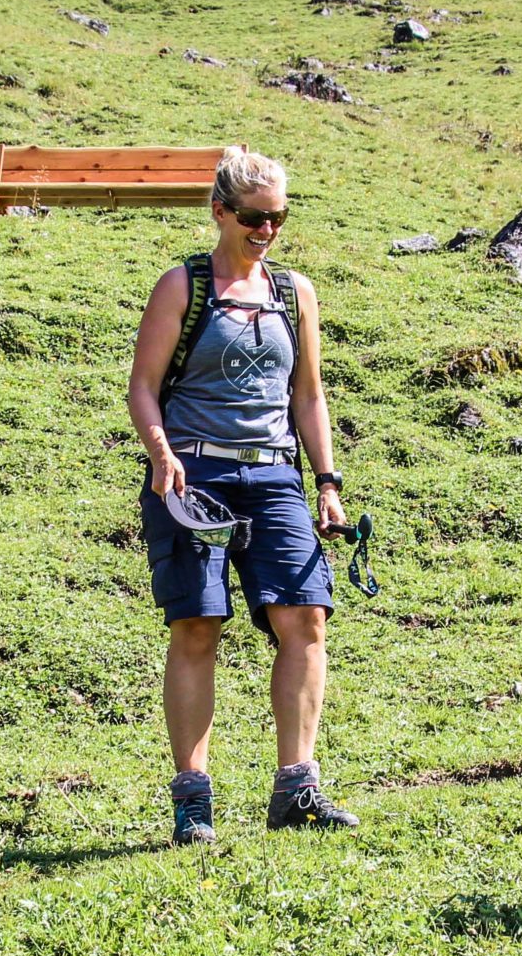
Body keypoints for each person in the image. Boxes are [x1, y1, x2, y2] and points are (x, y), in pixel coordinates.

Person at [126, 145, 359, 845]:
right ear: (220, 211)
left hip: (275, 475)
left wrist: (327, 481)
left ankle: (297, 788)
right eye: (255, 217)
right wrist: (161, 453)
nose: (268, 231)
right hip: (193, 474)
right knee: (198, 626)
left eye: (279, 218)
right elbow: (142, 386)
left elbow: (308, 395)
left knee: (305, 619)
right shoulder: (182, 286)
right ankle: (192, 802)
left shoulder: (295, 293)